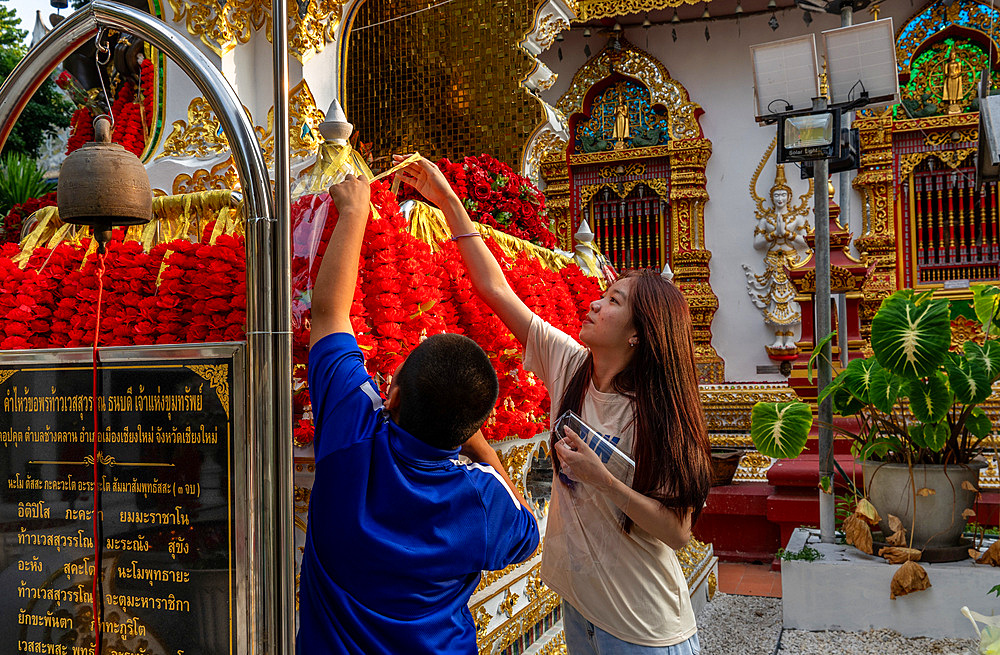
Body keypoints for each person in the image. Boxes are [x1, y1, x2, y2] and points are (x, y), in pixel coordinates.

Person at [396, 156, 711, 655]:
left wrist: (602, 480)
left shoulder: (652, 412)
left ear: (637, 334)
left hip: (644, 629)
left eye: (613, 301)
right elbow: (495, 291)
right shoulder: (570, 365)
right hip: (581, 611)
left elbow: (677, 531)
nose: (593, 303)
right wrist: (450, 202)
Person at [297, 175, 540, 655]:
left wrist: (353, 213)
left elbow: (328, 315)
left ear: (390, 397)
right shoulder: (483, 498)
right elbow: (527, 529)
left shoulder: (352, 435)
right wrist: (480, 445)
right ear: (471, 427)